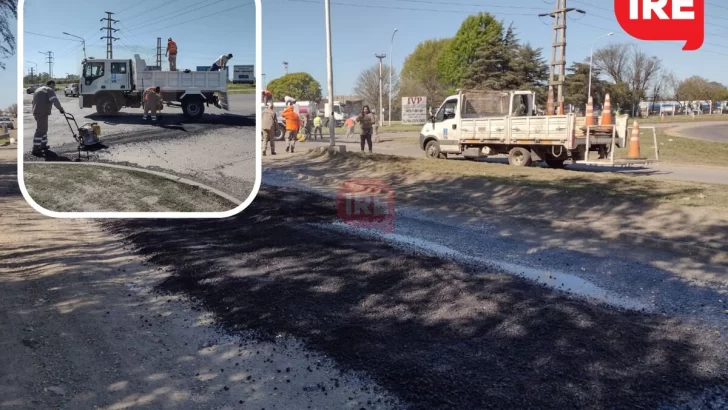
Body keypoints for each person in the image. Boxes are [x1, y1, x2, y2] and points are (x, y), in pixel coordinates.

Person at [31, 80, 64, 156]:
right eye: (54, 85)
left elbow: (33, 102)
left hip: (36, 112)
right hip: (42, 112)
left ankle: (43, 145)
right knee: (41, 129)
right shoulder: (49, 90)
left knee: (44, 128)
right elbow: (54, 100)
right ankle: (36, 148)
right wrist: (61, 109)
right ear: (51, 84)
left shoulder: (38, 89)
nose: (54, 87)